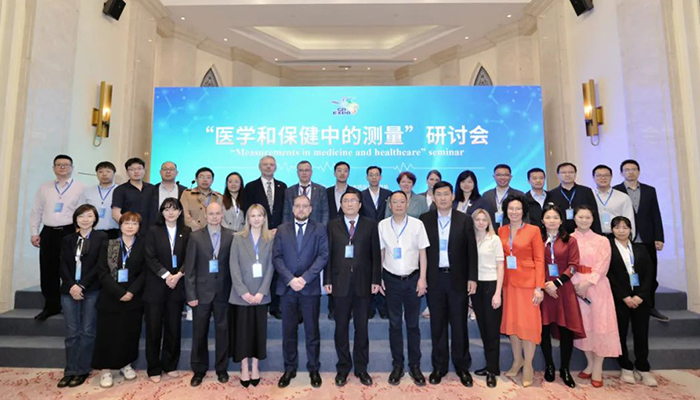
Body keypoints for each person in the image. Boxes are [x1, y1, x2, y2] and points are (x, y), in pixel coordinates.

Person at [419, 181, 477, 387]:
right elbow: (421, 251)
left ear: (452, 196)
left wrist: (472, 278)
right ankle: (439, 367)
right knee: (438, 325)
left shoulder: (464, 219)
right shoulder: (425, 219)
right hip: (435, 279)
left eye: (446, 194)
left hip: (458, 279)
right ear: (433, 198)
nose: (443, 198)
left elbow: (472, 251)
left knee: (459, 324)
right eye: (439, 194)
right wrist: (422, 277)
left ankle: (462, 367)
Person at [325, 189, 381, 387]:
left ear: (360, 204)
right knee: (341, 328)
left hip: (363, 283)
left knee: (361, 328)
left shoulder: (370, 224)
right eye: (345, 201)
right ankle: (343, 368)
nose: (349, 204)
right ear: (341, 205)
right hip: (339, 283)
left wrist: (376, 280)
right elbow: (328, 254)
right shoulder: (332, 225)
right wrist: (327, 279)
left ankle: (361, 368)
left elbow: (376, 254)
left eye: (353, 200)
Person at [273, 195, 329, 388]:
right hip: (287, 288)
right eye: (298, 206)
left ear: (311, 209)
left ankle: (314, 369)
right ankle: (289, 368)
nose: (301, 209)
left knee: (312, 331)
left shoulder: (320, 229)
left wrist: (305, 278)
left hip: (309, 288)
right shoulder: (282, 229)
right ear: (292, 208)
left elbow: (323, 256)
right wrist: (290, 279)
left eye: (305, 206)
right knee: (288, 331)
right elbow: (277, 257)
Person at [378, 191, 429, 386]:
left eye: (402, 201)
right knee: (395, 324)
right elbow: (381, 252)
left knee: (413, 324)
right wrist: (379, 277)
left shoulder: (417, 224)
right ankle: (397, 365)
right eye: (395, 202)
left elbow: (423, 253)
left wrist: (422, 279)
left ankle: (415, 366)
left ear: (407, 204)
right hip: (391, 280)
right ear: (389, 205)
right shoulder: (383, 225)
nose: (398, 205)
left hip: (413, 279)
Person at [92, 212, 146, 388]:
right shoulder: (109, 244)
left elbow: (144, 272)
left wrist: (131, 292)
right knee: (107, 333)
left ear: (139, 227)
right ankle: (105, 369)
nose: (130, 226)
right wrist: (118, 292)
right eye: (126, 223)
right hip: (110, 296)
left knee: (129, 332)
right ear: (120, 225)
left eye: (134, 223)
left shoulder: (143, 245)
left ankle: (126, 364)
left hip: (133, 297)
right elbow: (102, 271)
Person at [57, 204, 108, 388]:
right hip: (69, 290)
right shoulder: (68, 239)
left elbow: (100, 265)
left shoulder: (102, 238)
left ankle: (82, 370)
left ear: (95, 218)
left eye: (89, 216)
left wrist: (82, 285)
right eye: (81, 216)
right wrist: (72, 285)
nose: (85, 219)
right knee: (72, 333)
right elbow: (62, 264)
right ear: (76, 219)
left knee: (87, 331)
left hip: (91, 289)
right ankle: (70, 370)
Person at [30, 154, 86, 321]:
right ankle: (51, 306)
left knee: (71, 269)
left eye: (66, 165)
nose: (62, 167)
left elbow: (83, 212)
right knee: (48, 270)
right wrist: (34, 232)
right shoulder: (44, 187)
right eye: (59, 165)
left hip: (70, 231)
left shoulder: (81, 187)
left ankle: (73, 305)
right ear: (53, 168)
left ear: (72, 168)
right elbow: (36, 211)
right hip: (48, 232)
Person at [184, 202, 234, 387]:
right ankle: (199, 370)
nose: (214, 216)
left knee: (223, 332)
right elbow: (190, 269)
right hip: (201, 293)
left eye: (217, 213)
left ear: (222, 215)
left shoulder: (231, 236)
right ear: (205, 215)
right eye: (211, 213)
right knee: (199, 333)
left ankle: (221, 369)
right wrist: (191, 295)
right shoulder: (195, 237)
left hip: (224, 292)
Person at [571, 205, 621, 388]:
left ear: (593, 219)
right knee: (584, 326)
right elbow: (567, 264)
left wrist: (587, 282)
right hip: (576, 287)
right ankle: (590, 364)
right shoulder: (569, 238)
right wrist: (576, 284)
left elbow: (603, 265)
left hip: (597, 286)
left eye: (588, 217)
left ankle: (598, 368)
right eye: (580, 217)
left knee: (600, 325)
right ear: (574, 218)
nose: (584, 220)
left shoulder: (602, 240)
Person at [497, 194, 544, 387]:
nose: (514, 212)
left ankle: (529, 366)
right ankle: (517, 361)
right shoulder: (501, 230)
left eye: (518, 208)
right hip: (508, 284)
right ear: (506, 211)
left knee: (528, 326)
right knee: (513, 325)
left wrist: (539, 287)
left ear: (523, 211)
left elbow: (539, 259)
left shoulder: (533, 230)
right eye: (511, 208)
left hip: (528, 284)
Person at [144, 198, 192, 382]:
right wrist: (166, 276)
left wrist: (178, 275)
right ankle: (154, 368)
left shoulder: (186, 231)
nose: (170, 213)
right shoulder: (152, 231)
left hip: (177, 285)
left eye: (174, 209)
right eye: (166, 209)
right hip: (156, 285)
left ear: (180, 212)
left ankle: (170, 364)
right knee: (154, 328)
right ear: (162, 212)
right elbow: (150, 257)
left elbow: (189, 257)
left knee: (173, 328)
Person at [613, 160, 667, 322]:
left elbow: (655, 214)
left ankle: (649, 305)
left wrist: (659, 237)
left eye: (633, 169)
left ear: (639, 171)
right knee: (622, 272)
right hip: (623, 238)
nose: (630, 172)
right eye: (627, 170)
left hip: (646, 238)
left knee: (649, 272)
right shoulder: (616, 191)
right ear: (621, 173)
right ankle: (625, 304)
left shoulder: (650, 190)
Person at [539, 204, 585, 388]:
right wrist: (545, 284)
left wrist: (556, 283)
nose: (551, 221)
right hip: (543, 289)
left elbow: (574, 265)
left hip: (563, 289)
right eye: (548, 217)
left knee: (566, 330)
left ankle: (565, 368)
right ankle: (549, 365)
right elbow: (534, 262)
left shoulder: (570, 240)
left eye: (555, 217)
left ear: (561, 221)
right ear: (542, 220)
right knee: (544, 329)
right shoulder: (538, 239)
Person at [607, 216, 657, 387]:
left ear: (630, 230)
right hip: (621, 298)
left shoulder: (641, 249)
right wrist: (625, 296)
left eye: (625, 227)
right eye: (617, 227)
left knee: (641, 333)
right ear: (612, 230)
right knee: (620, 333)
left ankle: (643, 367)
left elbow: (650, 273)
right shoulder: (609, 249)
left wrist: (641, 295)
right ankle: (626, 366)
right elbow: (609, 275)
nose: (621, 231)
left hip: (641, 298)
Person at [229, 204, 275, 387]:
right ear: (247, 218)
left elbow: (271, 267)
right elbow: (233, 266)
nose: (256, 219)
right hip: (241, 295)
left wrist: (262, 291)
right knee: (242, 333)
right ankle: (244, 367)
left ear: (264, 218)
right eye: (253, 216)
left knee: (258, 332)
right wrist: (243, 292)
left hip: (261, 295)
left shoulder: (270, 238)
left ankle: (255, 366)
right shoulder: (238, 238)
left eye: (259, 215)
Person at [244, 155, 287, 318]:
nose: (268, 167)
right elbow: (247, 211)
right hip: (258, 234)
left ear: (275, 167)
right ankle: (260, 302)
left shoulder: (282, 186)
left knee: (276, 269)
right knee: (260, 268)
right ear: (259, 167)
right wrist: (262, 228)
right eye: (265, 164)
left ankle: (275, 306)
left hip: (279, 234)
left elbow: (286, 211)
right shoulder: (250, 186)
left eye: (271, 164)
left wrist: (280, 229)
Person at [470, 208, 504, 388]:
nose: (481, 222)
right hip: (476, 286)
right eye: (478, 219)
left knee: (492, 330)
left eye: (484, 219)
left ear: (489, 221)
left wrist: (498, 292)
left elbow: (501, 267)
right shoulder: (470, 239)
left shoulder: (494, 239)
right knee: (483, 328)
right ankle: (490, 365)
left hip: (491, 285)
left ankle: (492, 370)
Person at [360, 166, 391, 319]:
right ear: (367, 177)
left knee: (384, 269)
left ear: (380, 177)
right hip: (367, 236)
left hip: (386, 236)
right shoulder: (361, 195)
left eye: (376, 175)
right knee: (369, 270)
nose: (374, 177)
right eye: (371, 175)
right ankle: (370, 306)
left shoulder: (388, 194)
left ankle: (384, 306)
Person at [547, 162, 601, 234]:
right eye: (563, 172)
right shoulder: (551, 194)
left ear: (575, 174)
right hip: (560, 233)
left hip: (583, 232)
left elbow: (594, 213)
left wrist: (597, 233)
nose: (567, 175)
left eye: (571, 172)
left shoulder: (586, 191)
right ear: (558, 175)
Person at [112, 157, 156, 231]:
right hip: (129, 231)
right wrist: (128, 226)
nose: (136, 172)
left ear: (144, 170)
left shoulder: (153, 188)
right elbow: (115, 214)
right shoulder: (120, 189)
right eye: (132, 169)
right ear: (127, 172)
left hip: (151, 231)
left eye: (139, 168)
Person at [79, 161, 120, 239]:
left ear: (114, 173)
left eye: (108, 171)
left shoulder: (120, 190)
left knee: (113, 247)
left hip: (115, 232)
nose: (104, 174)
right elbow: (80, 210)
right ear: (97, 174)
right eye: (100, 172)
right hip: (91, 232)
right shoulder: (88, 191)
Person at [593, 165, 636, 237]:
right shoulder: (589, 195)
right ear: (593, 177)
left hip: (617, 236)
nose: (603, 178)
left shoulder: (623, 197)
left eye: (606, 175)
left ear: (611, 177)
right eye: (599, 175)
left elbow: (629, 219)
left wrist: (630, 237)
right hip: (595, 235)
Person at [283, 160, 329, 225]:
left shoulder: (321, 190)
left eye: (307, 170)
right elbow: (286, 214)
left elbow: (325, 212)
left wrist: (322, 228)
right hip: (294, 228)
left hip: (316, 228)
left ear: (311, 172)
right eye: (301, 170)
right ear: (297, 173)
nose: (304, 173)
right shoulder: (289, 191)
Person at [481, 164, 524, 229]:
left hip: (513, 230)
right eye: (499, 175)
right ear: (494, 177)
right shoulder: (486, 195)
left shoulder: (519, 194)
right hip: (491, 231)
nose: (502, 178)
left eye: (506, 175)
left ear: (510, 177)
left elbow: (525, 216)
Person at [181, 167, 223, 231]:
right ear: (196, 179)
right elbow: (185, 215)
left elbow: (222, 216)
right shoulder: (187, 194)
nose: (205, 180)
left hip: (214, 232)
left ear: (212, 180)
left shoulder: (218, 197)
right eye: (201, 177)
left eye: (208, 177)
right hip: (193, 232)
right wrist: (199, 232)